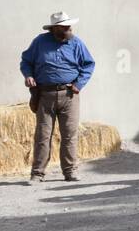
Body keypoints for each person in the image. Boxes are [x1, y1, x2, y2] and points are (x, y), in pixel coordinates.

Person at [20, 11, 95, 183]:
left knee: (69, 134)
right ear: (55, 29)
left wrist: (79, 83)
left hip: (69, 95)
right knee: (43, 135)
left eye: (69, 26)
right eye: (65, 27)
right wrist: (28, 75)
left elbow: (89, 64)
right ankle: (37, 173)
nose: (69, 29)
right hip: (45, 94)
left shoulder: (76, 43)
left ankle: (70, 171)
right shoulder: (40, 42)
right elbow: (26, 61)